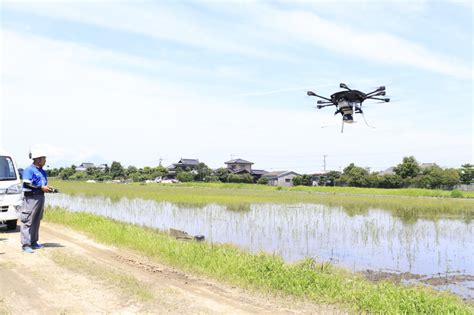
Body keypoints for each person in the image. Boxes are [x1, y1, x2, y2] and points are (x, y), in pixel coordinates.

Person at [21, 149, 55, 253]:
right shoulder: (29, 170)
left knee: (36, 220)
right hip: (31, 198)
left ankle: (34, 242)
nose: (45, 161)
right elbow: (27, 183)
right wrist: (41, 187)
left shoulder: (42, 172)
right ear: (38, 160)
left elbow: (42, 185)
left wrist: (48, 189)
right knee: (27, 221)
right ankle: (26, 245)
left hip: (40, 197)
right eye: (44, 159)